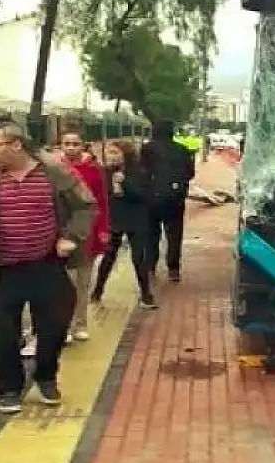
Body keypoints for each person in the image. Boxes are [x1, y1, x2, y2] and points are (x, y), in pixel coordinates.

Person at [0, 119, 95, 414]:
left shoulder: (54, 173)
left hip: (45, 265)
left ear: (16, 145)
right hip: (2, 269)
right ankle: (8, 388)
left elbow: (86, 205)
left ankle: (46, 376)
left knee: (55, 326)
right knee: (2, 333)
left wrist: (70, 236)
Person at [92, 140, 158, 308]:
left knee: (138, 258)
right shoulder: (104, 172)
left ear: (125, 154)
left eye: (115, 153)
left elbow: (143, 194)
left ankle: (146, 295)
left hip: (136, 218)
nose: (112, 157)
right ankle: (97, 291)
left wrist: (125, 182)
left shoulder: (139, 171)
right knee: (109, 256)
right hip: (114, 218)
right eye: (109, 153)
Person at [58, 130, 110, 341]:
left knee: (82, 281)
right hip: (60, 233)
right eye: (66, 143)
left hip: (87, 233)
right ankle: (64, 325)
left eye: (75, 143)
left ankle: (80, 323)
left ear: (83, 146)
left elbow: (101, 201)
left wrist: (103, 229)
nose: (70, 147)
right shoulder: (54, 169)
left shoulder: (94, 170)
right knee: (62, 283)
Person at [142, 120, 195, 283]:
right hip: (175, 199)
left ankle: (150, 266)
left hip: (151, 198)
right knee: (174, 234)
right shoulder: (183, 149)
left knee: (151, 234)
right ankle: (173, 269)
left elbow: (142, 171)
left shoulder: (147, 149)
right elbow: (190, 173)